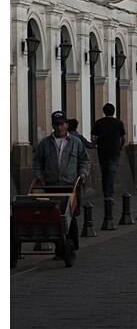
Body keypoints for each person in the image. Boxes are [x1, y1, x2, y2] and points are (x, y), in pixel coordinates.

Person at [33, 110, 91, 258]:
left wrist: (83, 174)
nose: (59, 127)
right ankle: (59, 249)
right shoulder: (45, 143)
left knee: (70, 217)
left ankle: (71, 247)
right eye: (56, 124)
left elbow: (84, 160)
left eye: (62, 124)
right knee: (54, 217)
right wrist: (39, 176)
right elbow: (38, 160)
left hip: (70, 185)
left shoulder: (75, 142)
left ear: (67, 124)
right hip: (52, 186)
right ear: (53, 125)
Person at [91, 102, 126, 199]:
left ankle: (106, 193)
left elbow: (93, 137)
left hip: (102, 151)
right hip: (114, 151)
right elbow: (123, 138)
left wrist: (99, 142)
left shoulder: (98, 122)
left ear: (104, 112)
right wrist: (120, 146)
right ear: (114, 112)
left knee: (104, 172)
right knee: (111, 172)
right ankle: (109, 194)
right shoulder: (119, 123)